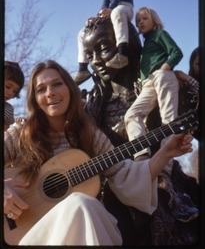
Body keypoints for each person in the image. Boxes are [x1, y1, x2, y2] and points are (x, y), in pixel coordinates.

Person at [4, 60, 194, 246]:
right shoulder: (21, 134)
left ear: (70, 89)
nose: (50, 92)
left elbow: (126, 175)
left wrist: (165, 152)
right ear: (35, 100)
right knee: (81, 204)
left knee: (82, 205)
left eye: (57, 84)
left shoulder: (91, 137)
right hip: (33, 234)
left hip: (81, 227)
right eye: (41, 89)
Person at [124, 7, 183, 171]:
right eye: (138, 20)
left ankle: (166, 164)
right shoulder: (144, 45)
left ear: (154, 20)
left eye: (144, 18)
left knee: (168, 118)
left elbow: (176, 52)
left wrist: (165, 68)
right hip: (148, 83)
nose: (140, 22)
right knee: (131, 114)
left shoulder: (160, 34)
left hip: (162, 76)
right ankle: (141, 154)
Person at [74, 0, 134, 85]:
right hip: (111, 11)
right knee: (82, 32)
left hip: (124, 8)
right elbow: (103, 6)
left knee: (117, 12)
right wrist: (97, 18)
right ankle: (83, 69)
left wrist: (111, 9)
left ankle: (122, 54)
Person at [4, 61, 24, 131]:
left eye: (14, 91)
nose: (10, 93)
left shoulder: (9, 109)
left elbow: (6, 134)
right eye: (8, 86)